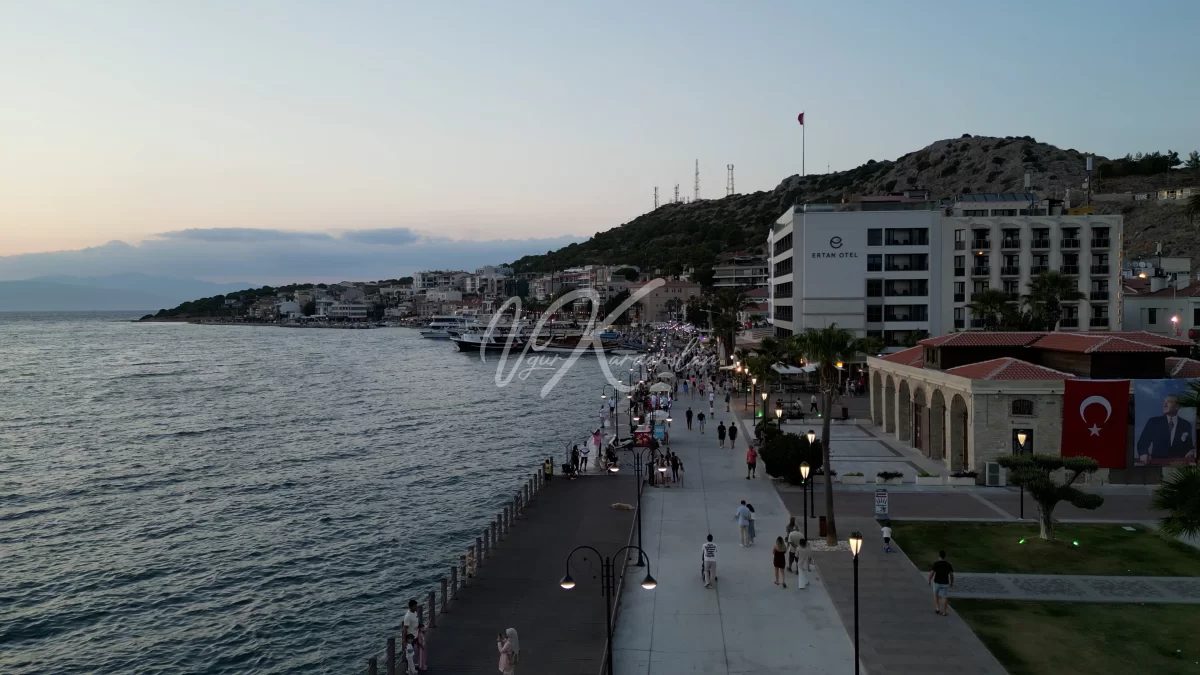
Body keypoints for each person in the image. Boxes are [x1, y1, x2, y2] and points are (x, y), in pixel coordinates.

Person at [1136, 394, 1197, 465]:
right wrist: (1143, 454)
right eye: (1164, 402)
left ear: (1177, 406)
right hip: (1157, 464)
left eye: (1169, 402)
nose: (1164, 405)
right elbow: (1142, 442)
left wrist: (1191, 452)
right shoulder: (1153, 422)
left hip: (1178, 465)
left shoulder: (1186, 424)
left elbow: (1189, 446)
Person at [928, 550, 955, 616]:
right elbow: (951, 574)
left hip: (937, 582)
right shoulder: (948, 564)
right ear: (945, 556)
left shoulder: (936, 564)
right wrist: (951, 582)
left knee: (935, 593)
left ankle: (937, 608)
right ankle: (944, 612)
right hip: (945, 583)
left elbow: (932, 573)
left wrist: (929, 580)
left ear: (939, 556)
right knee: (944, 597)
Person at [401, 598, 420, 664]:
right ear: (411, 607)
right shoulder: (408, 616)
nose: (416, 607)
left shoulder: (415, 612)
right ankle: (409, 667)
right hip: (410, 638)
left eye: (416, 606)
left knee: (414, 651)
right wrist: (404, 640)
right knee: (409, 654)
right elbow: (405, 629)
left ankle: (413, 665)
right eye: (415, 606)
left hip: (416, 635)